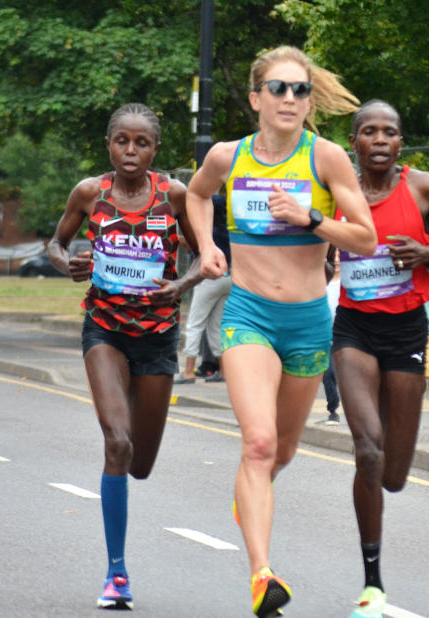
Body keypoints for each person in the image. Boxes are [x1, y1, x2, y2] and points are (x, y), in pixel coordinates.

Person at [184, 46, 376, 617]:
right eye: (278, 88)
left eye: (299, 90)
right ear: (255, 98)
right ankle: (262, 577)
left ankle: (251, 492)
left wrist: (310, 218)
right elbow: (196, 195)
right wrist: (208, 245)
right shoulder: (228, 157)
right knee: (259, 443)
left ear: (309, 101)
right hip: (249, 315)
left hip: (310, 321)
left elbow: (365, 238)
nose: (289, 98)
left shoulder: (327, 158)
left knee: (283, 451)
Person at [46, 102, 202, 610]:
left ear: (156, 150)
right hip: (105, 331)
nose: (130, 151)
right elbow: (56, 241)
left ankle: (131, 475)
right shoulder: (90, 193)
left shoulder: (174, 196)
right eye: (122, 141)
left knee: (140, 464)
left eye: (142, 143)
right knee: (117, 442)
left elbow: (207, 256)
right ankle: (117, 574)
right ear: (108, 143)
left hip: (157, 337)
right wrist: (67, 262)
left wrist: (179, 284)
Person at [334, 100, 429, 617]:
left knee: (393, 473)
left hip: (406, 331)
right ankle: (372, 582)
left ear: (401, 142)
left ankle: (381, 489)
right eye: (368, 131)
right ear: (354, 141)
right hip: (352, 328)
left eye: (388, 132)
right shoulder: (337, 189)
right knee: (367, 451)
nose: (378, 140)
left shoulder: (424, 188)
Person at [174, 193, 231, 384]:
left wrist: (177, 238)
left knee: (195, 324)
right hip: (228, 278)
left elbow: (194, 247)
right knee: (216, 327)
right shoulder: (228, 230)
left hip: (208, 279)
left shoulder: (206, 232)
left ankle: (189, 370)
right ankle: (223, 370)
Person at [322, 247, 342, 425]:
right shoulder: (322, 283)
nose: (336, 260)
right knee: (328, 373)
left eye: (340, 255)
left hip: (345, 333)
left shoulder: (347, 283)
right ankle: (333, 410)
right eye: (333, 256)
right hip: (325, 334)